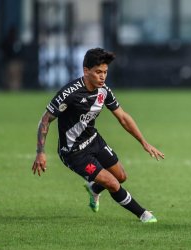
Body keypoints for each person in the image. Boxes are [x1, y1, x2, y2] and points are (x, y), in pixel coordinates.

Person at [32, 48, 164, 223]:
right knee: (112, 183)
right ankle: (143, 214)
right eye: (98, 72)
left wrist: (144, 143)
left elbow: (123, 118)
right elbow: (45, 120)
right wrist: (40, 151)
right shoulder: (69, 93)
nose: (103, 77)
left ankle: (94, 189)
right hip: (73, 152)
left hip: (94, 140)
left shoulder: (104, 91)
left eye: (105, 72)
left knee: (121, 176)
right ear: (86, 71)